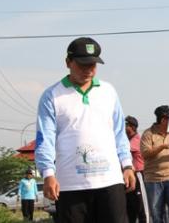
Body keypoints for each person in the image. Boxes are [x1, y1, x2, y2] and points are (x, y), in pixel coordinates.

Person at [35, 37, 135, 222]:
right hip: (70, 185)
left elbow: (119, 133)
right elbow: (44, 139)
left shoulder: (108, 91)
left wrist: (127, 165)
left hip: (110, 181)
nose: (88, 70)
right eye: (82, 65)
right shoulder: (52, 96)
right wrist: (48, 173)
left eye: (93, 65)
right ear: (68, 63)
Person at [141, 105, 169, 223]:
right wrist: (162, 147)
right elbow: (145, 154)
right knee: (157, 213)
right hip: (153, 180)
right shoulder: (148, 134)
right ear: (163, 120)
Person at [126, 115, 149, 223]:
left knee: (141, 207)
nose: (123, 127)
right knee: (130, 207)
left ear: (132, 127)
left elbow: (125, 149)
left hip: (138, 175)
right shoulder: (128, 139)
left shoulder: (136, 140)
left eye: (125, 125)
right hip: (129, 175)